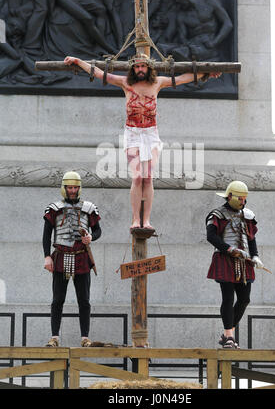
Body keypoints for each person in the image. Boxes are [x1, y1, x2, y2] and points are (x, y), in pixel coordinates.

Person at [64, 54, 221, 231]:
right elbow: (101, 74)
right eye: (137, 67)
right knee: (137, 177)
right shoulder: (125, 83)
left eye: (143, 67)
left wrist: (205, 73)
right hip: (132, 134)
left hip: (151, 134)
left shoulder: (158, 82)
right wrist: (78, 61)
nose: (140, 70)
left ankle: (146, 220)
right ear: (133, 68)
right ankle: (135, 220)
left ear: (149, 68)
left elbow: (182, 78)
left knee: (148, 177)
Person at [43, 171, 101, 347]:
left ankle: (85, 338)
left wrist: (91, 237)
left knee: (84, 300)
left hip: (81, 258)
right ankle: (54, 337)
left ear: (79, 188)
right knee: (57, 300)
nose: (73, 190)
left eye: (75, 187)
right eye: (70, 187)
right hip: (60, 257)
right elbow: (46, 235)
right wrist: (47, 257)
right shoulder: (54, 208)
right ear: (64, 188)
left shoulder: (89, 208)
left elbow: (98, 230)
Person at [206, 181, 264, 349]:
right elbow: (211, 236)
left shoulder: (248, 215)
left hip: (245, 261)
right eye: (240, 198)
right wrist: (229, 249)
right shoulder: (217, 214)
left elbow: (251, 238)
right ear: (230, 196)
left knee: (245, 299)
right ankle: (230, 336)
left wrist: (255, 256)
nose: (242, 202)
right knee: (228, 297)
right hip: (225, 259)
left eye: (245, 198)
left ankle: (226, 333)